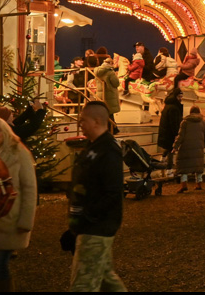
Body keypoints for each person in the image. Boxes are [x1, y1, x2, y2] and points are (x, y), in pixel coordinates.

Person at [67, 101, 127, 291]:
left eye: (83, 120)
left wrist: (86, 217)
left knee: (83, 284)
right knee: (106, 279)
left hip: (96, 227)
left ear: (96, 121)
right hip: (91, 225)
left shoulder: (108, 151)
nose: (80, 124)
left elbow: (113, 192)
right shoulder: (94, 147)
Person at [0, 117, 37, 292]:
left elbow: (29, 187)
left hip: (11, 218)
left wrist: (26, 221)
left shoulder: (18, 152)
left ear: (5, 132)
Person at [175, 106, 205, 192]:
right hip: (198, 146)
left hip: (186, 147)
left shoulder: (185, 122)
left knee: (184, 165)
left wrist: (175, 146)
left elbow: (180, 136)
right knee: (198, 166)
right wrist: (204, 145)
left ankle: (184, 184)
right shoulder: (203, 122)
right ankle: (199, 183)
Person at [157, 87, 183, 174]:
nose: (181, 98)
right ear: (175, 96)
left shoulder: (169, 105)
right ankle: (169, 169)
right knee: (171, 149)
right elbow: (174, 123)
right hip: (170, 132)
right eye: (179, 97)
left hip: (165, 131)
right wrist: (177, 133)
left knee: (168, 147)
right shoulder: (174, 108)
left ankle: (163, 159)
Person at [93, 57, 120, 129]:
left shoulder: (97, 71)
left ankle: (109, 128)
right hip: (109, 94)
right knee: (110, 112)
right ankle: (113, 129)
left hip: (100, 94)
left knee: (105, 111)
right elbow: (116, 83)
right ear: (110, 63)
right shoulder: (110, 72)